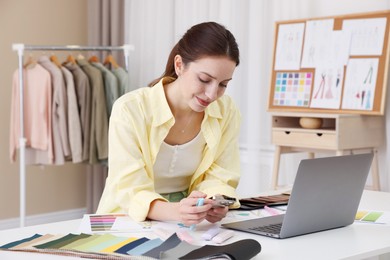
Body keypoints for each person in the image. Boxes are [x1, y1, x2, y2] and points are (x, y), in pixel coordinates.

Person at [97, 21, 241, 226]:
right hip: (127, 219)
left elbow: (221, 173)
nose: (212, 94)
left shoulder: (226, 111)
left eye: (223, 84)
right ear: (179, 65)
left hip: (189, 220)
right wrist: (176, 211)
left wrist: (215, 201)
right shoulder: (130, 109)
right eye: (204, 79)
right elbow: (129, 188)